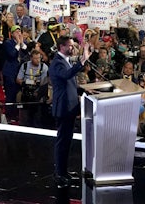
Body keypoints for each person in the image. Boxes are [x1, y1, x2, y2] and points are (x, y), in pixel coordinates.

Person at [49, 35, 90, 188]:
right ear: (62, 47)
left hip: (70, 107)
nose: (72, 48)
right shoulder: (57, 63)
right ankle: (59, 173)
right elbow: (67, 75)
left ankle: (64, 170)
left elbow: (70, 82)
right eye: (70, 46)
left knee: (67, 142)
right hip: (63, 108)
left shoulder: (65, 61)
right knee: (62, 141)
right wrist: (83, 60)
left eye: (73, 45)